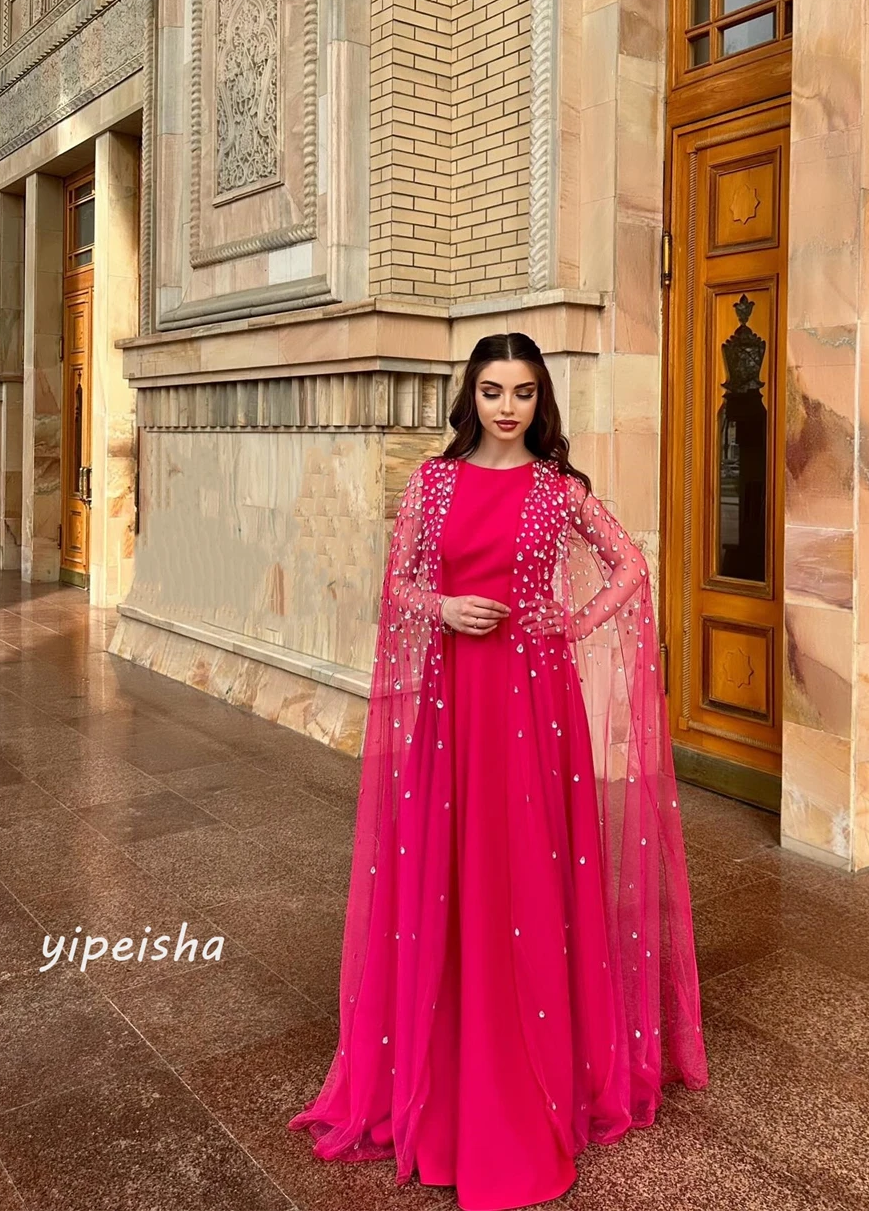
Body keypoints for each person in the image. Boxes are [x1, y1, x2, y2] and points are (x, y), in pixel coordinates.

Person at [287, 332, 709, 1210]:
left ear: (539, 400)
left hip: (533, 703)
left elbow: (632, 568)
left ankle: (534, 1074)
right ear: (469, 397)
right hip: (456, 704)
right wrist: (440, 605)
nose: (506, 407)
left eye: (521, 392)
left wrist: (573, 619)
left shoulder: (559, 492)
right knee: (456, 873)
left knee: (526, 875)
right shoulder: (433, 485)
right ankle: (450, 1067)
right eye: (491, 391)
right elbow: (394, 587)